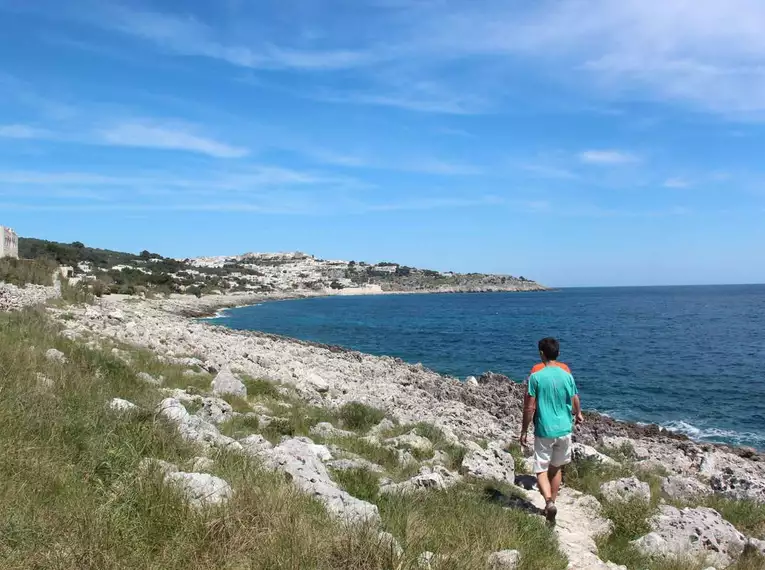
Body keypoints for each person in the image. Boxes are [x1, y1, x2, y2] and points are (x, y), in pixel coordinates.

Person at [520, 337, 583, 524]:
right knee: (556, 470)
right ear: (558, 354)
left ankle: (548, 502)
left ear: (541, 354)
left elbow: (530, 407)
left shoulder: (536, 377)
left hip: (544, 429)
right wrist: (578, 414)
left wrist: (524, 430)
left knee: (541, 470)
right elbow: (574, 398)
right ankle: (553, 503)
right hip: (564, 429)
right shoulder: (567, 376)